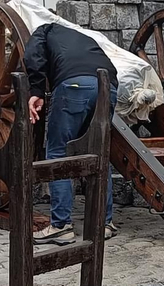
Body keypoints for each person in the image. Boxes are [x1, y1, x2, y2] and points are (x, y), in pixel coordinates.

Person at [25, 21, 118, 244]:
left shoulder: (44, 31)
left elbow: (33, 57)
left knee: (58, 153)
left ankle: (60, 226)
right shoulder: (85, 38)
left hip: (74, 86)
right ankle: (104, 223)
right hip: (109, 87)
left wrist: (36, 90)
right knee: (99, 154)